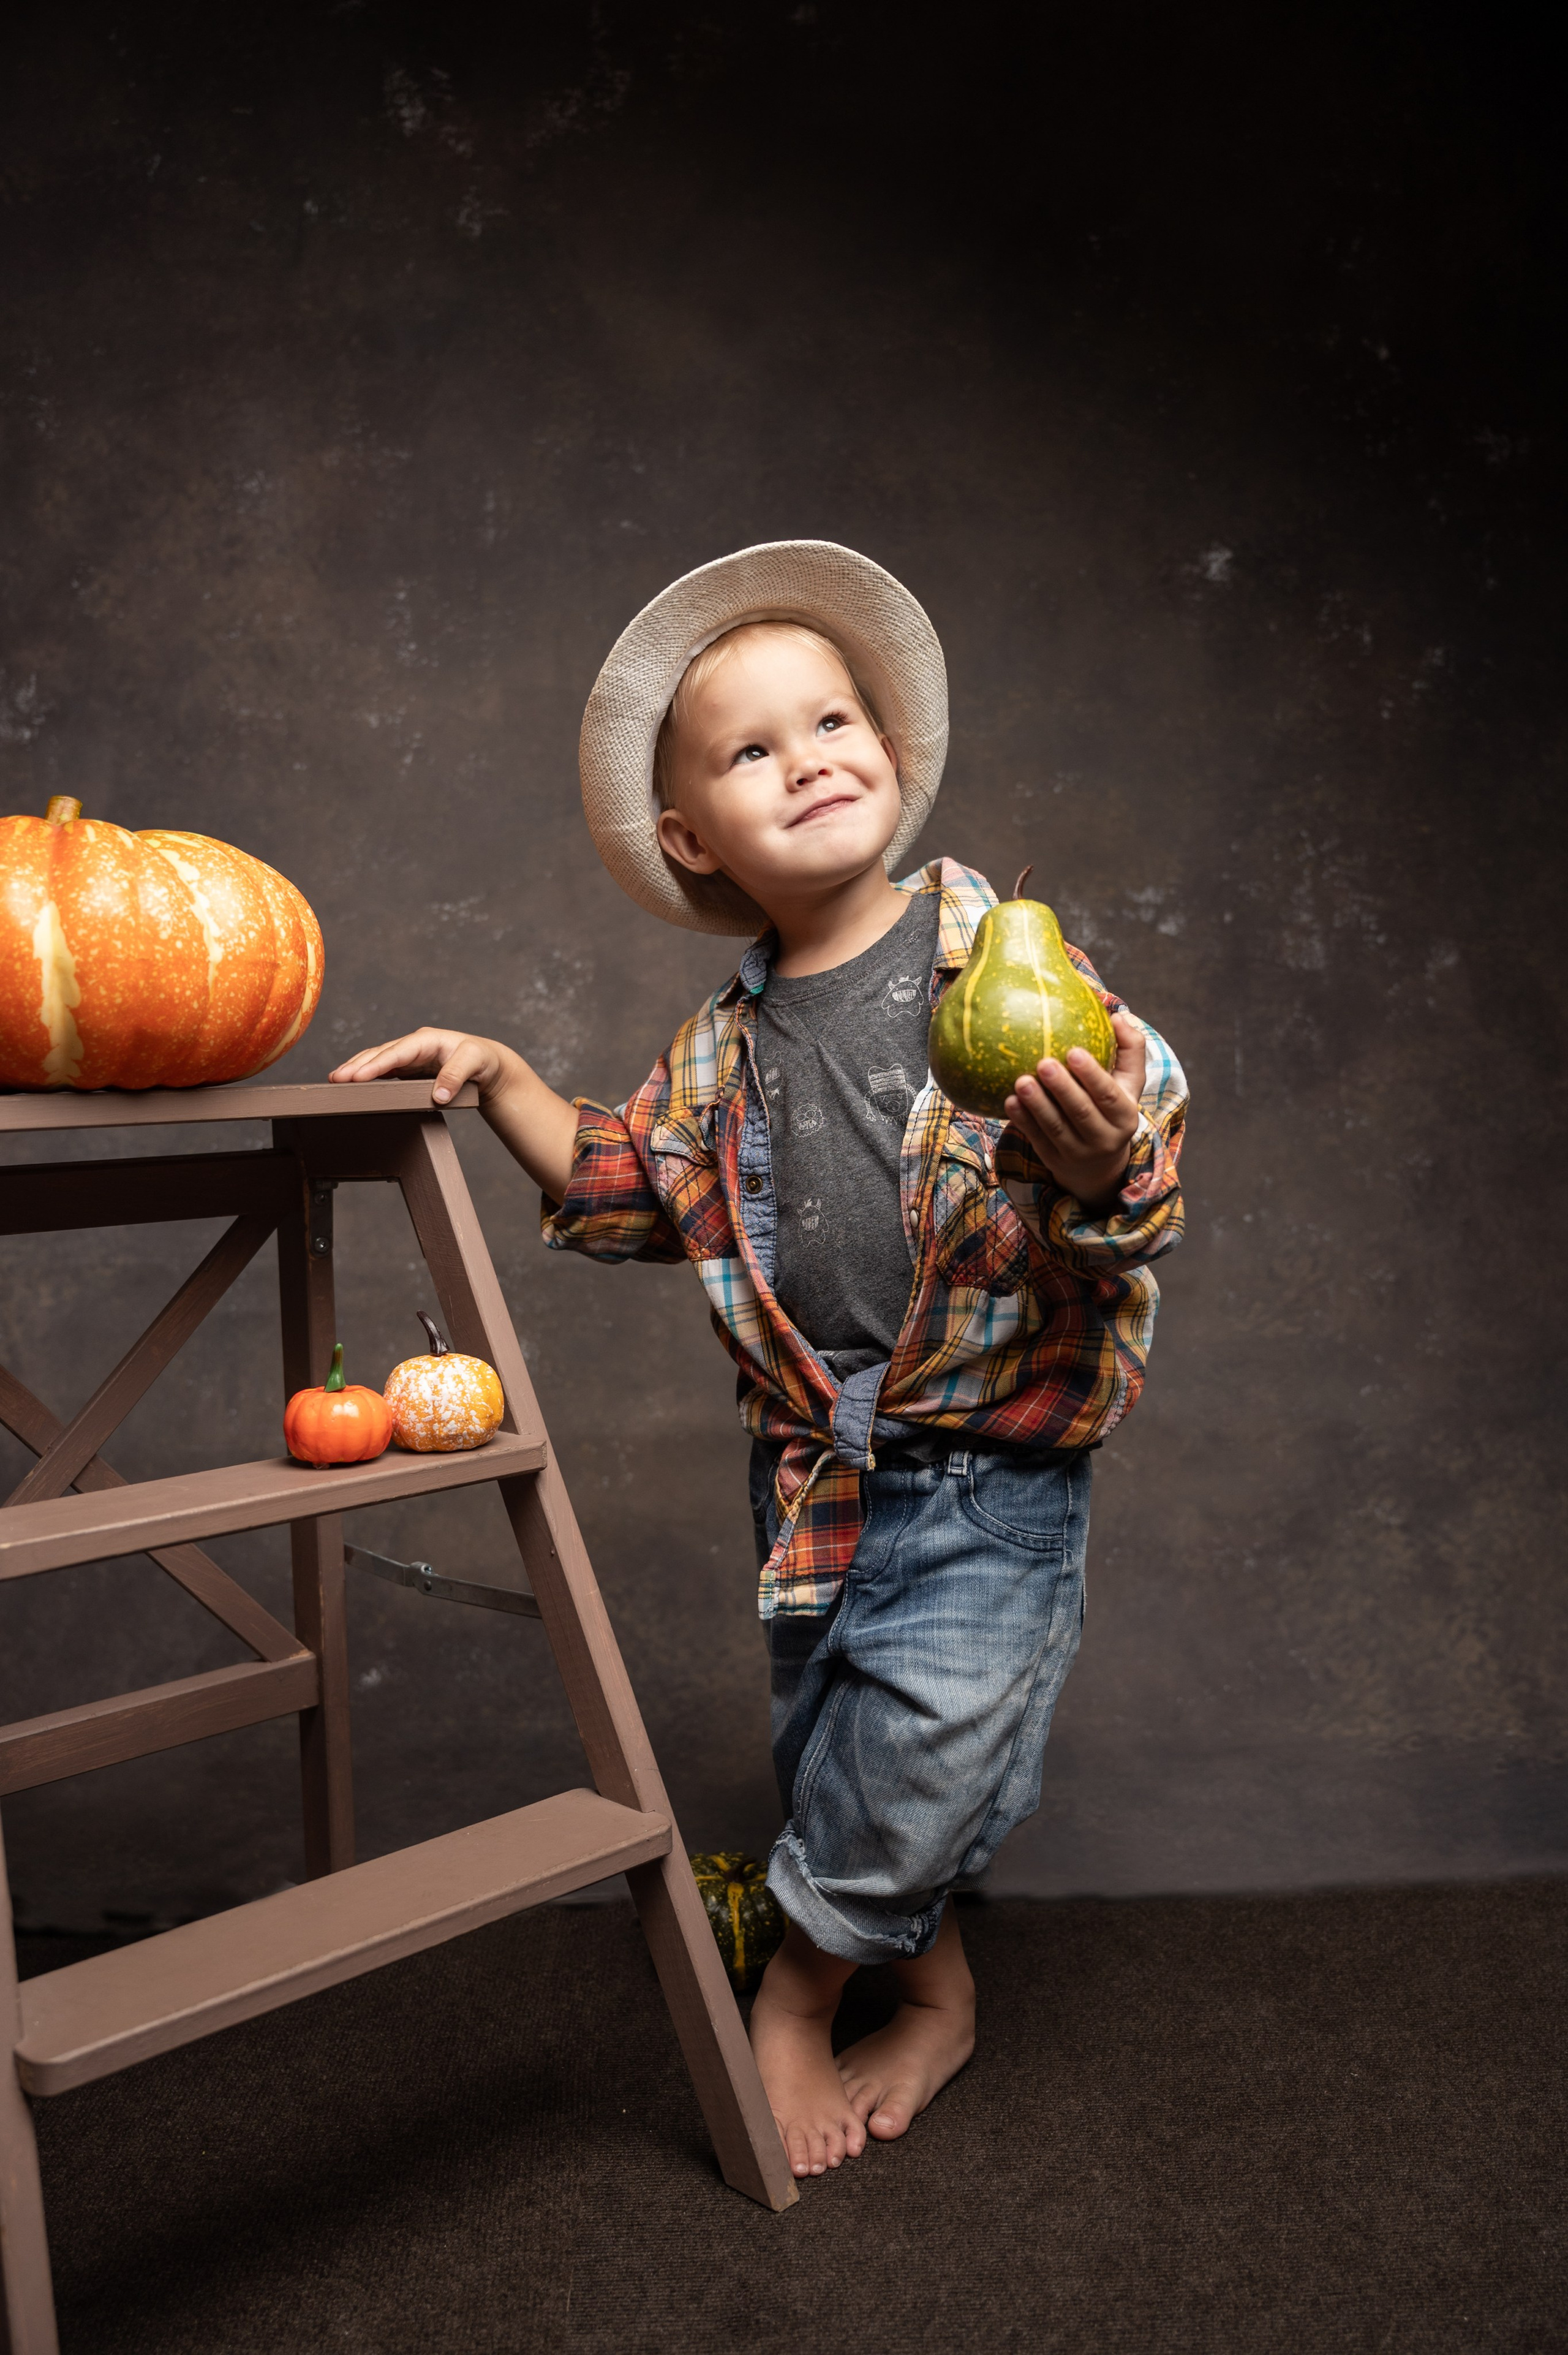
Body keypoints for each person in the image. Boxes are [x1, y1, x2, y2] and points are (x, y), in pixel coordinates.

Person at [331, 541, 1188, 2182]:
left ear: (896, 751)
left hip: (989, 1469)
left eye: (836, 720)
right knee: (835, 1749)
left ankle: (799, 1993)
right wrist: (503, 1072)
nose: (810, 759)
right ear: (688, 836)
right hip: (808, 1477)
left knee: (922, 1749)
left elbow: (1140, 1170)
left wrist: (1097, 1174)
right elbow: (628, 1183)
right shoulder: (720, 1047)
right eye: (751, 750)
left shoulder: (1010, 961)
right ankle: (930, 1990)